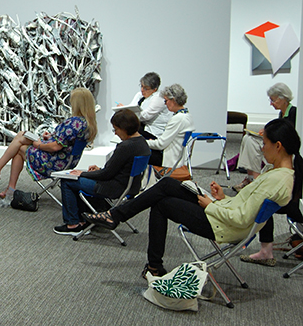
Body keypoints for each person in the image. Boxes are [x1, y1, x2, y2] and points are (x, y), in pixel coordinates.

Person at [85, 118, 299, 278]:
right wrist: (222, 199)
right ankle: (139, 247)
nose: (262, 148)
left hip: (223, 225)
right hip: (223, 214)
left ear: (278, 146)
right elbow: (245, 207)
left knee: (161, 204)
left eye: (265, 143)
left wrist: (211, 205)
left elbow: (242, 218)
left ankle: (127, 232)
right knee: (167, 184)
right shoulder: (278, 174)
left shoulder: (276, 180)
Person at [0, 87, 98, 199]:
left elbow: (55, 147)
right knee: (21, 137)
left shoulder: (74, 122)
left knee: (19, 144)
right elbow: (66, 141)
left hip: (54, 162)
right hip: (68, 162)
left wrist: (38, 144)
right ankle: (5, 182)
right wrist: (50, 136)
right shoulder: (87, 124)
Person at [54, 109, 150, 236]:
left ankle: (73, 224)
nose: (115, 133)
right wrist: (99, 170)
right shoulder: (142, 143)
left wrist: (82, 174)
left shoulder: (125, 147)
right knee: (77, 180)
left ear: (124, 128)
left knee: (67, 181)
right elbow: (118, 170)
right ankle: (84, 218)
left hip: (113, 188)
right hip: (129, 187)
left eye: (116, 129)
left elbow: (106, 175)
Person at [234, 82, 297, 192]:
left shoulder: (294, 113)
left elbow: (287, 136)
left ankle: (256, 180)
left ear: (284, 98)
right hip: (276, 144)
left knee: (252, 142)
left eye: (273, 100)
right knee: (247, 138)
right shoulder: (281, 114)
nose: (271, 104)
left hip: (283, 148)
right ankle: (251, 178)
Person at [146, 84, 193, 169]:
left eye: (166, 101)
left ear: (173, 100)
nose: (165, 104)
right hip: (176, 157)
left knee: (134, 151)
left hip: (168, 160)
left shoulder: (178, 119)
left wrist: (144, 142)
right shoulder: (186, 115)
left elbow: (160, 145)